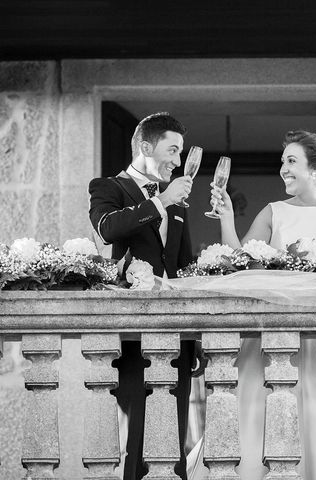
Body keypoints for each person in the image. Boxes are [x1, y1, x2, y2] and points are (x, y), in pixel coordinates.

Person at [205, 130, 316, 480]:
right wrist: (227, 218)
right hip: (273, 341)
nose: (283, 169)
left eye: (291, 161)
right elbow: (240, 265)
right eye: (282, 161)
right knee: (261, 422)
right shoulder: (274, 212)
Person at [88, 112, 195, 480]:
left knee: (176, 435)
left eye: (181, 153)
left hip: (177, 334)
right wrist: (161, 201)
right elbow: (107, 228)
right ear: (146, 147)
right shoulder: (108, 187)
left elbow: (183, 268)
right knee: (137, 432)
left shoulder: (178, 201)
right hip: (131, 333)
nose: (177, 161)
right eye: (172, 150)